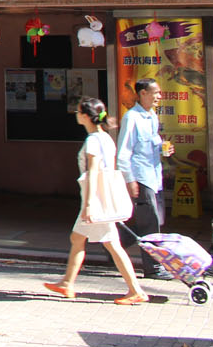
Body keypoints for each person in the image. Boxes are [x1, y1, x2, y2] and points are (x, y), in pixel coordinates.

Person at [44, 98, 147, 305]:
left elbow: (93, 171)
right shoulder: (106, 138)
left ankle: (135, 290)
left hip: (96, 199)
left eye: (78, 111)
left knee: (111, 244)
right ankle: (67, 283)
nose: (76, 114)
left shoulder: (93, 140)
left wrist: (89, 204)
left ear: (85, 116)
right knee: (78, 238)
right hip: (101, 197)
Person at [116, 79, 170, 279]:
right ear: (143, 93)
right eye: (155, 92)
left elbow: (153, 145)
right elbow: (123, 153)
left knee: (151, 221)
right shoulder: (132, 118)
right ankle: (153, 268)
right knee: (150, 224)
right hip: (141, 177)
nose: (159, 96)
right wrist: (130, 180)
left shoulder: (152, 116)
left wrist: (165, 149)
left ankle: (112, 245)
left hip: (155, 177)